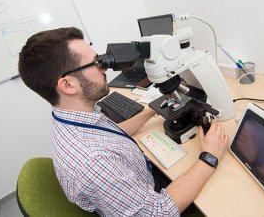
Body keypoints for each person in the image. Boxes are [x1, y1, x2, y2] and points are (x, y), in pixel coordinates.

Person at [18, 27, 229, 216]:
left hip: (135, 184)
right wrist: (208, 157)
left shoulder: (72, 117)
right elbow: (160, 211)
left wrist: (149, 112)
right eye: (95, 63)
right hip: (155, 202)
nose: (104, 67)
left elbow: (109, 135)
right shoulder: (94, 163)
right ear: (68, 85)